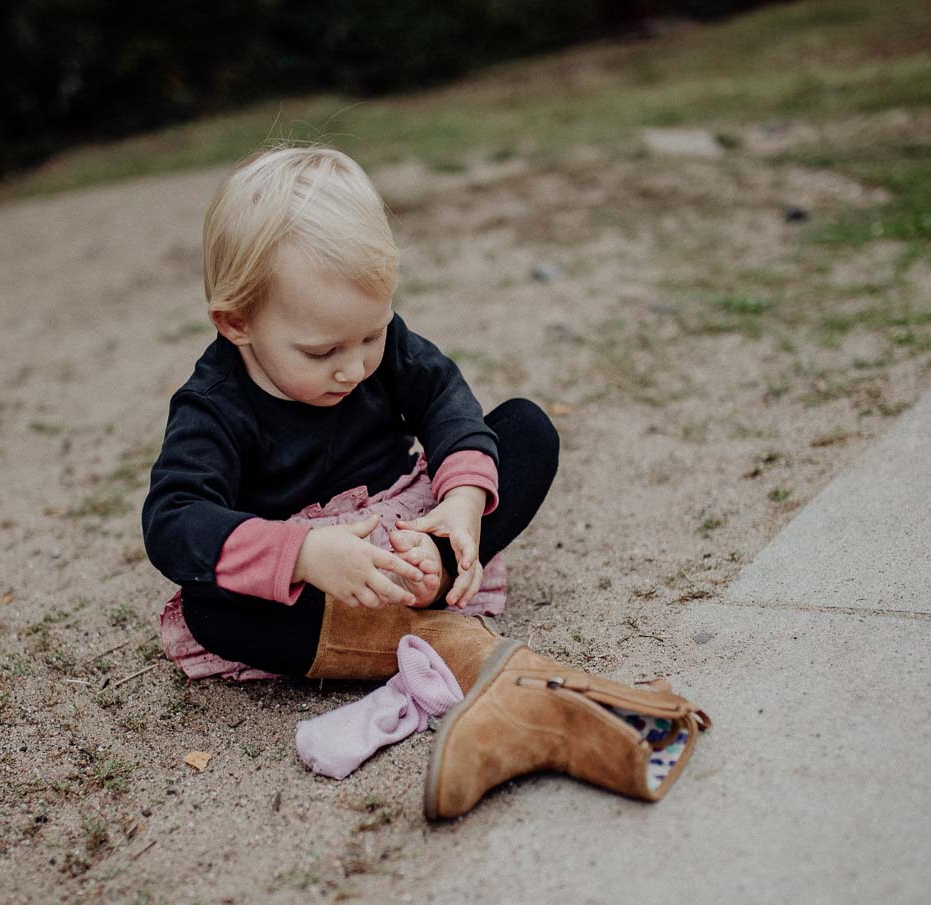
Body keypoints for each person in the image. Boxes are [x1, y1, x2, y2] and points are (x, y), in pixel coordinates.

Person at [143, 144, 706, 819]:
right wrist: (304, 555)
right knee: (210, 608)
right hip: (321, 582)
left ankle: (437, 589)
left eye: (371, 338)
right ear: (237, 322)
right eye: (321, 352)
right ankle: (466, 654)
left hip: (417, 536)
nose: (353, 368)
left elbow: (445, 401)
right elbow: (173, 519)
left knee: (526, 429)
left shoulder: (370, 340)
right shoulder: (214, 407)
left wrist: (462, 505)